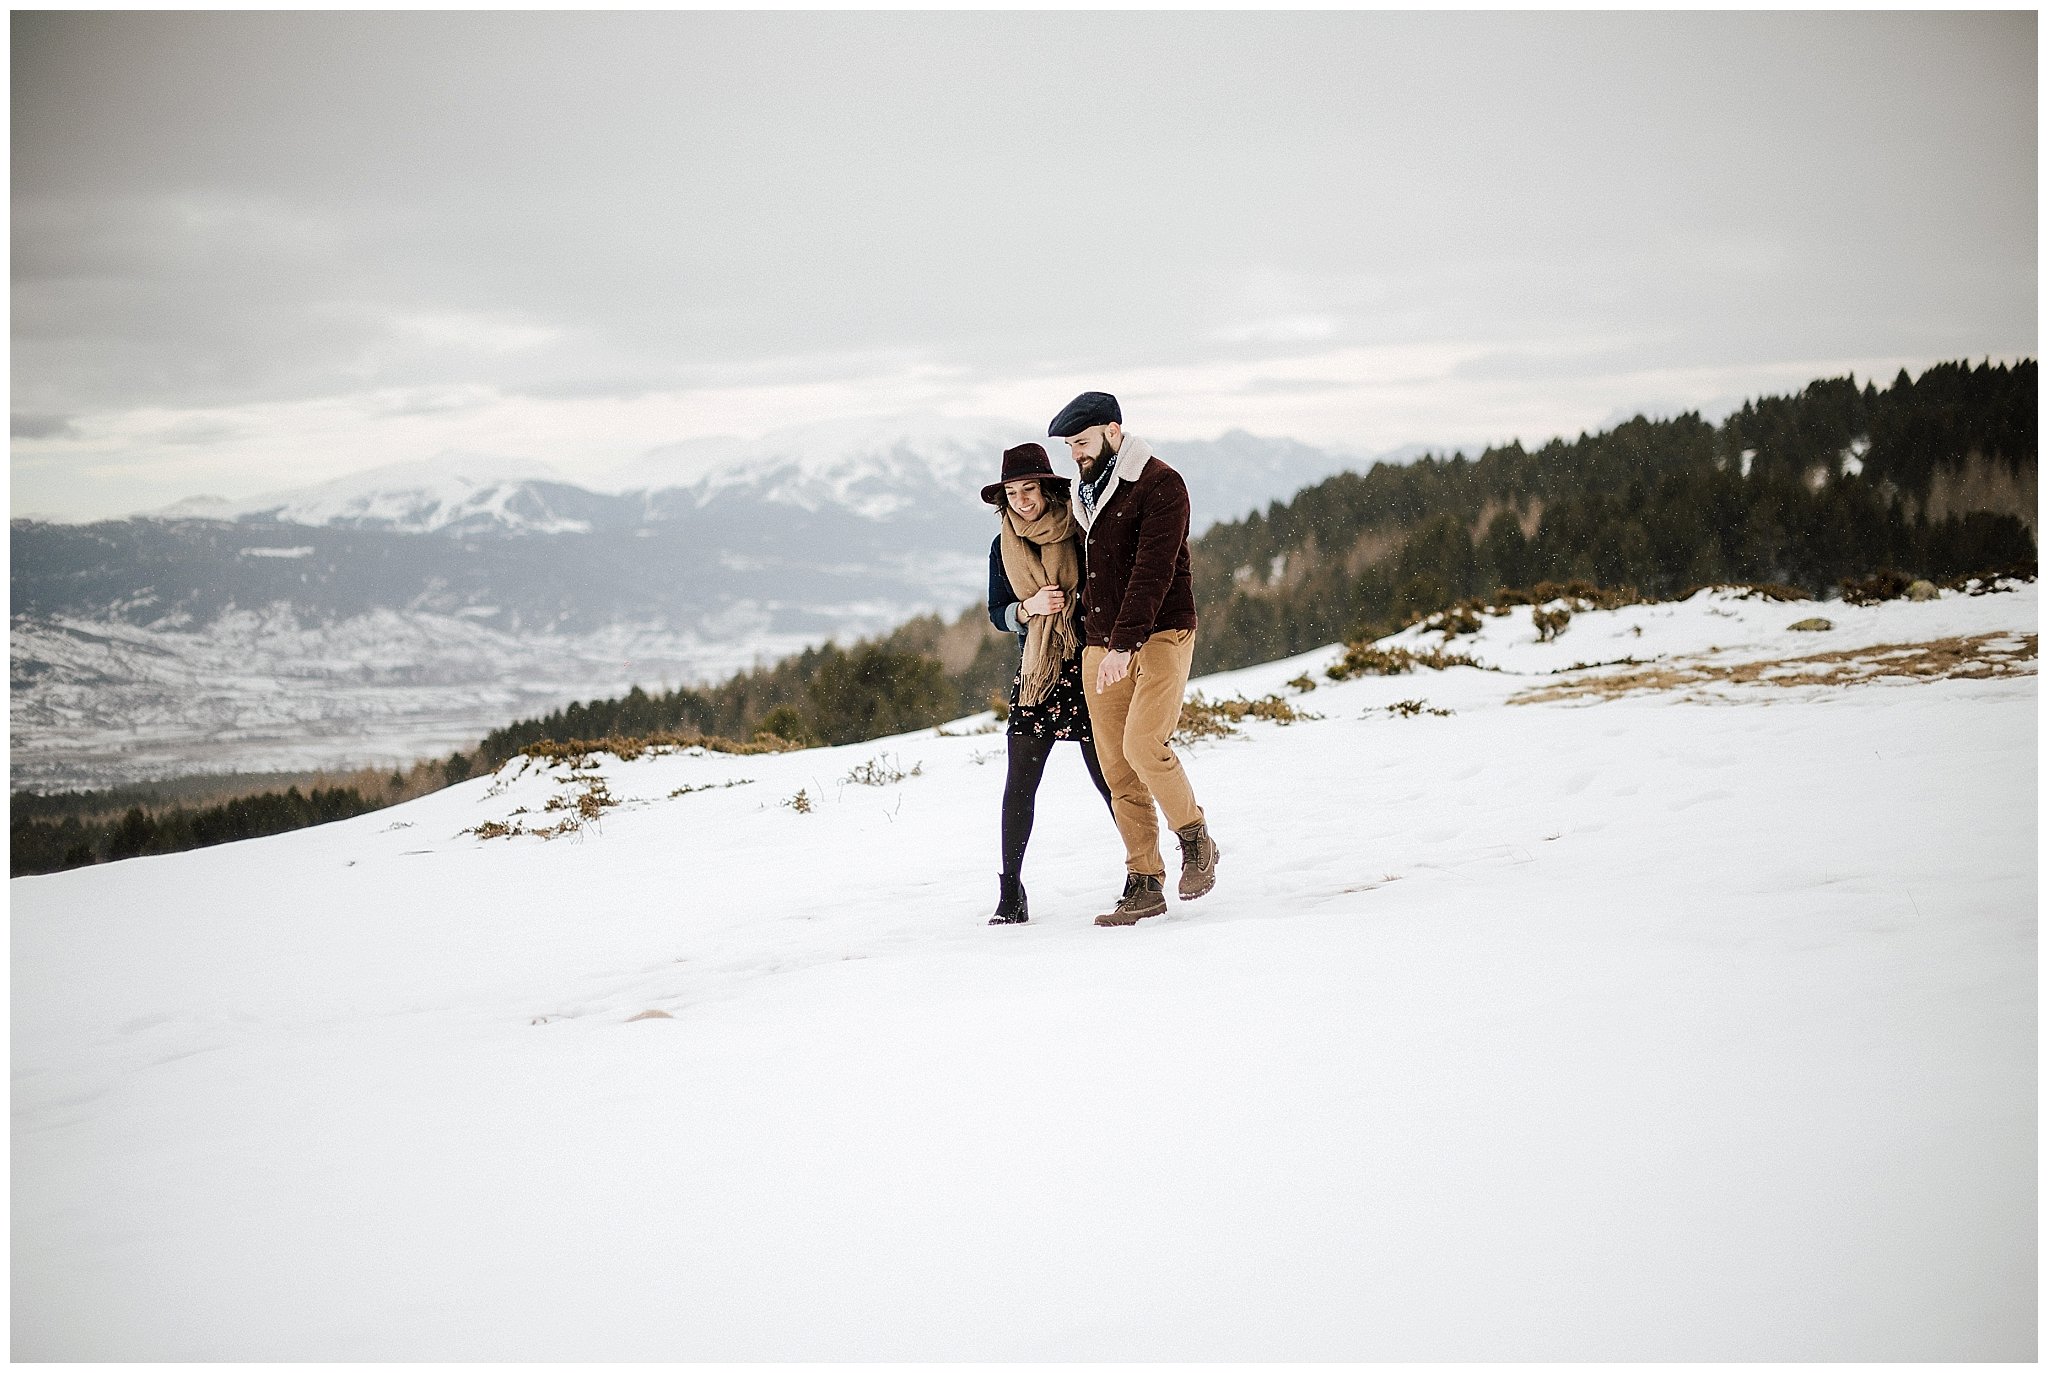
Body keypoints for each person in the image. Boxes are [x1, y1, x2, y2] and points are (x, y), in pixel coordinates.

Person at [1047, 391, 1220, 927]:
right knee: (1116, 769)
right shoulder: (1086, 492)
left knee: (1144, 746)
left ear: (1113, 431)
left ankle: (1196, 840)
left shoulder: (1161, 484)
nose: (1075, 453)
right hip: (1101, 642)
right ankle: (1144, 881)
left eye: (1081, 442)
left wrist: (1124, 644)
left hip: (1162, 632)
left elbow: (1154, 570)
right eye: (1069, 446)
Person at [981, 442, 1116, 925]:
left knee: (1109, 777)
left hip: (1086, 664)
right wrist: (1028, 609)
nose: (1021, 500)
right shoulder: (1003, 545)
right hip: (1038, 671)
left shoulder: (1077, 526)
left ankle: (1142, 871)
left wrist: (1079, 607)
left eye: (1029, 489)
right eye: (1012, 493)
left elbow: (1107, 581)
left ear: (1045, 489)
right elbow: (998, 612)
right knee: (1020, 782)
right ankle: (1011, 891)